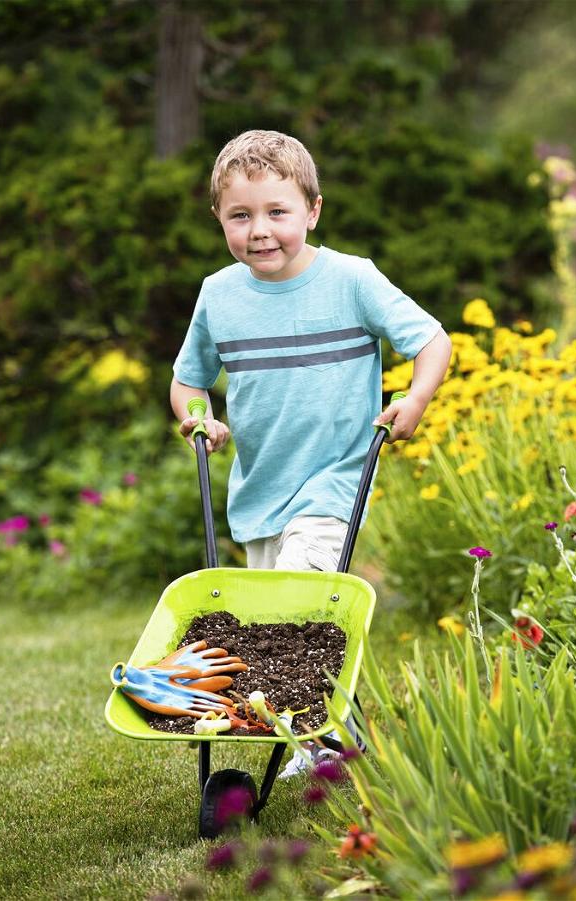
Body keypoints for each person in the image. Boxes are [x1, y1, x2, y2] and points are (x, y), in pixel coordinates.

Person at [170, 129, 451, 773]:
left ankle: (310, 742)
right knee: (275, 628)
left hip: (334, 479)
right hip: (259, 487)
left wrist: (415, 400)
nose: (259, 230)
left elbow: (432, 341)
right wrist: (200, 418)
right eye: (240, 216)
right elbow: (189, 379)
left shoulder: (351, 280)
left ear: (313, 211)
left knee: (303, 596)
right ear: (219, 218)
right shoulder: (219, 294)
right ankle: (336, 729)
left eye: (277, 212)